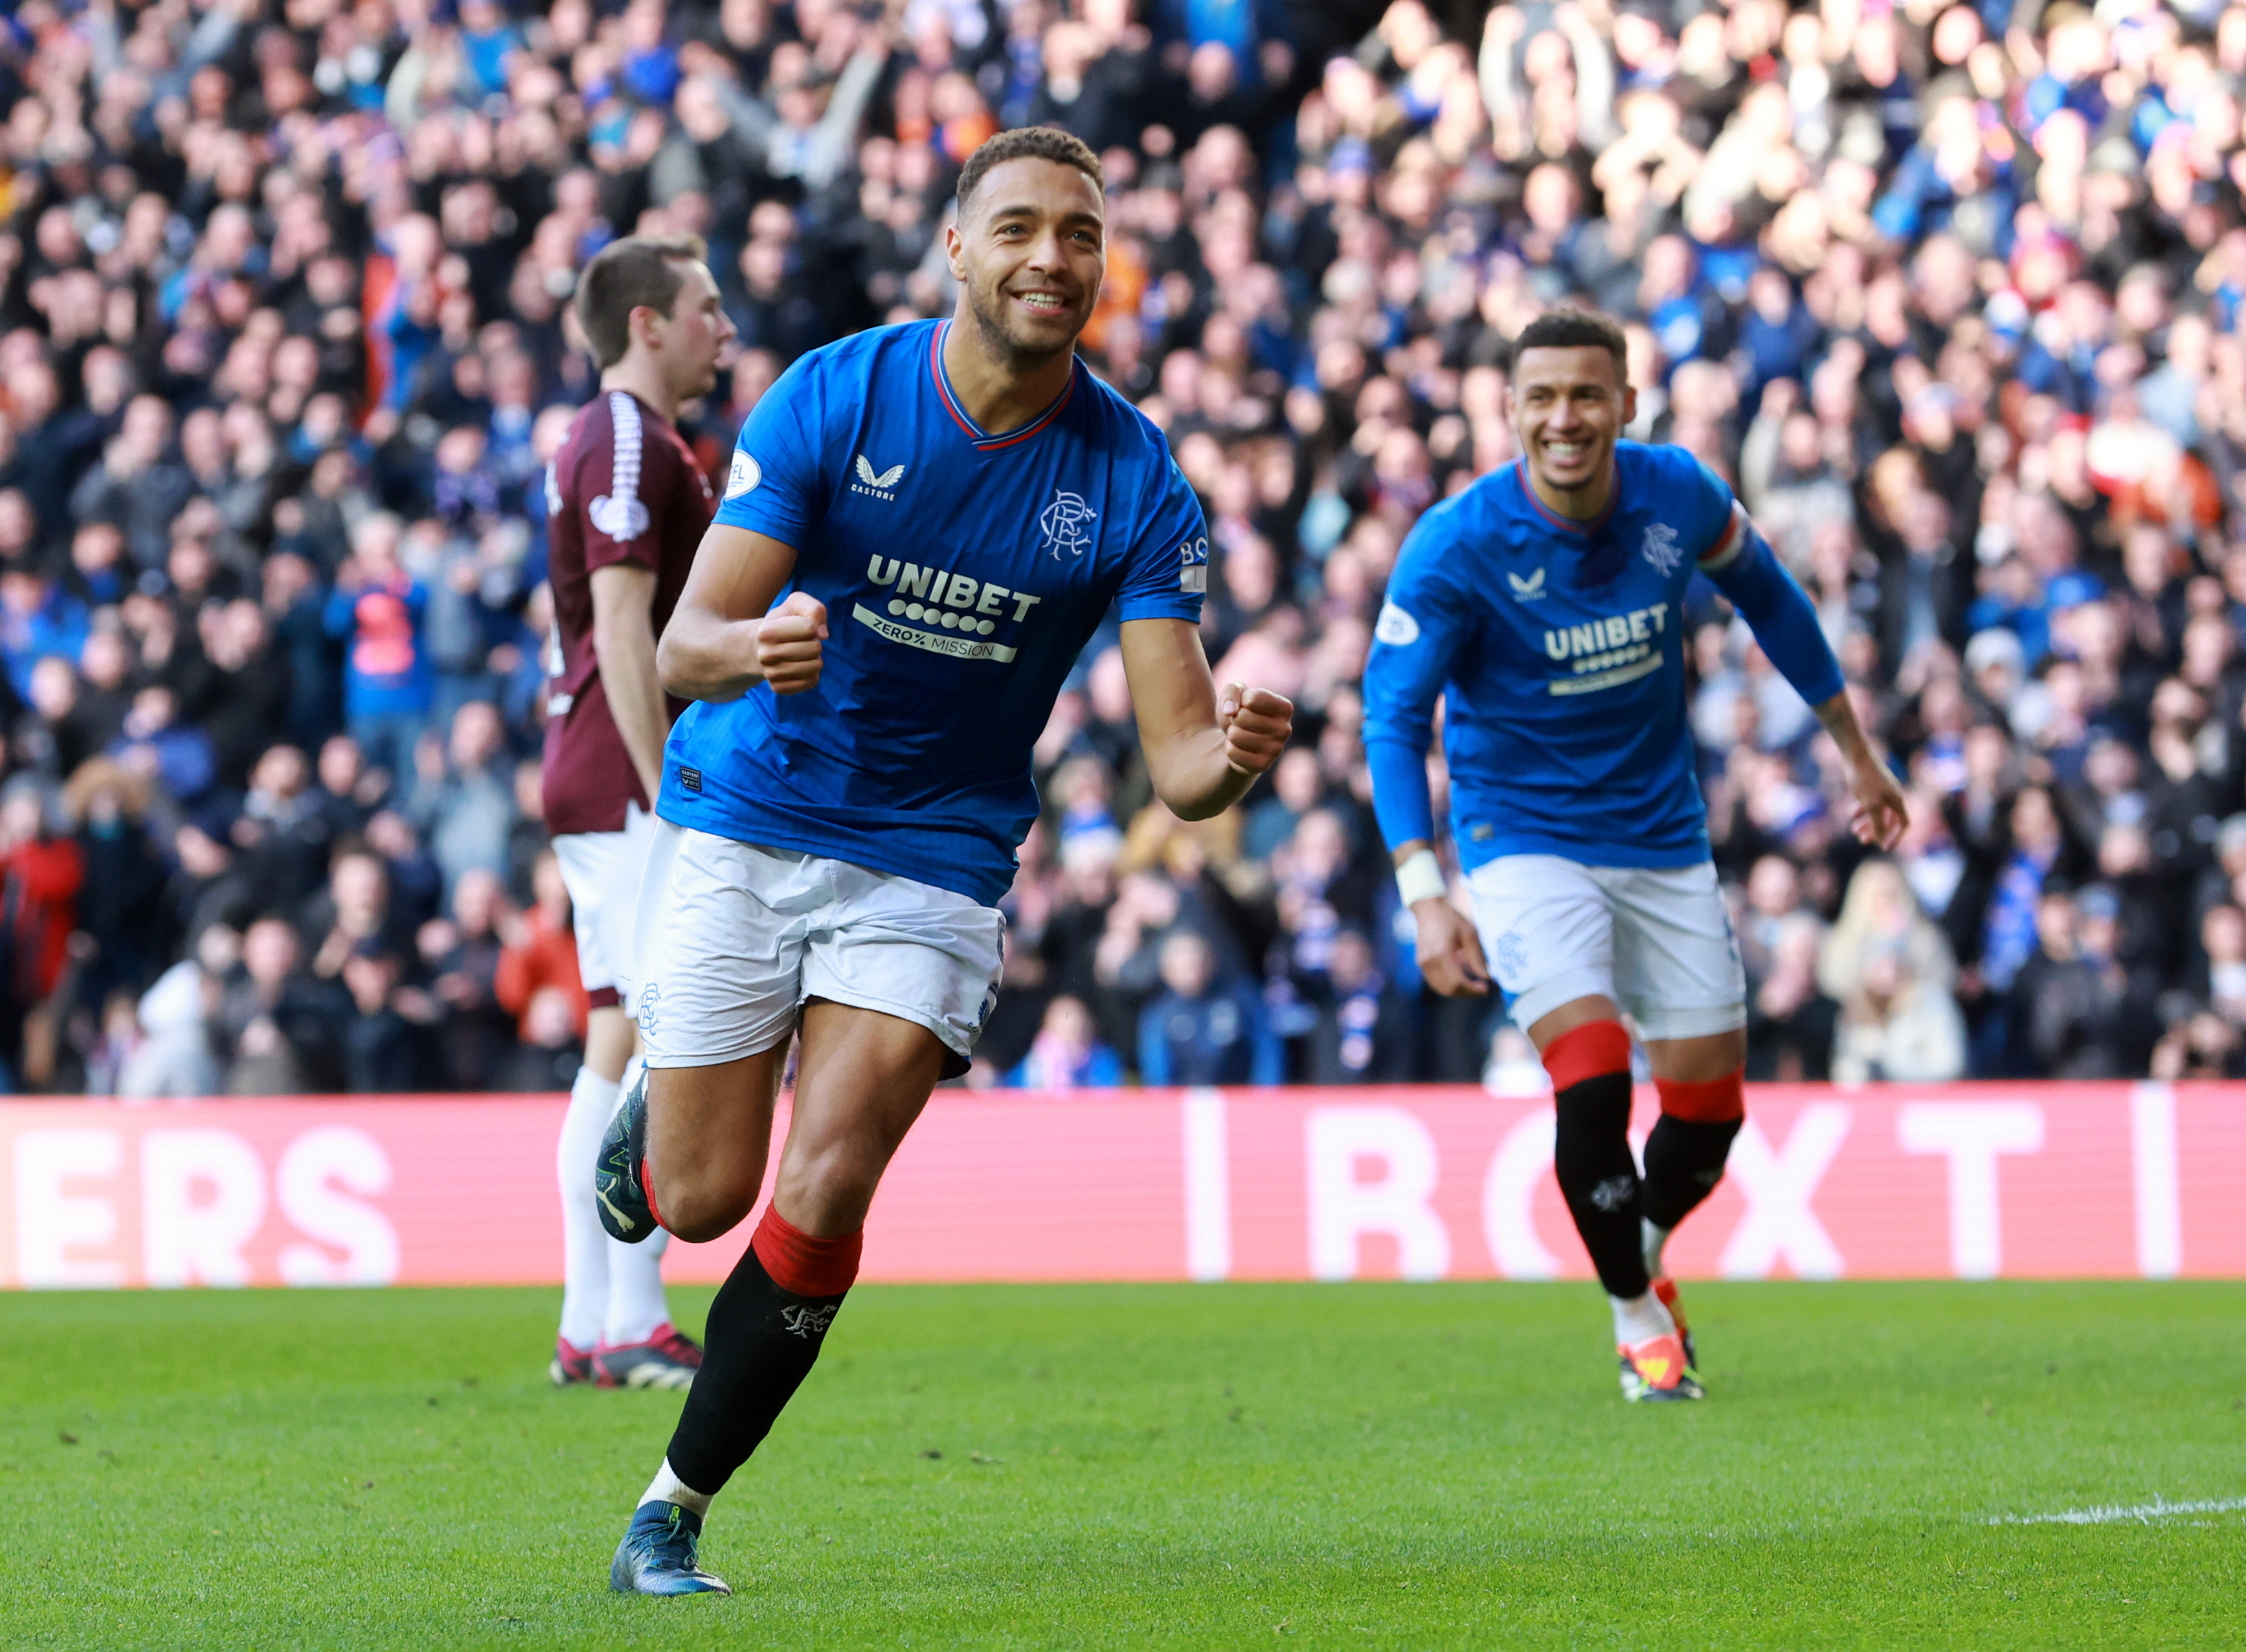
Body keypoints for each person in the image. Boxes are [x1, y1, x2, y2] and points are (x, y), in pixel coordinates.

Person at [591, 128, 1291, 1595]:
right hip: (754, 813)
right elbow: (682, 642)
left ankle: (673, 1504)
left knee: (831, 1181)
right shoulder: (837, 394)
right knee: (702, 1198)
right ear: (958, 250)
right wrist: (752, 645)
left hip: (933, 858)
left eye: (1082, 237)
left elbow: (1176, 764)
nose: (1055, 257)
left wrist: (1229, 755)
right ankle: (659, 1105)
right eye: (1023, 227)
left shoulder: (1135, 480)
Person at [1361, 310, 1905, 1404]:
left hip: (1661, 839)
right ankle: (1635, 1321)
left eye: (1587, 395)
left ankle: (1640, 1254)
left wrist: (1856, 750)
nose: (1566, 418)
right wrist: (1425, 894)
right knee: (1594, 1070)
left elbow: (1772, 600)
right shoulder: (1456, 546)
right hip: (1524, 842)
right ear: (1509, 411)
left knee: (1710, 1120)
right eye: (1542, 398)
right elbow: (1390, 720)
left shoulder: (1679, 495)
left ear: (1626, 405)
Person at [541, 233, 736, 1393]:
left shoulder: (644, 441)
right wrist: (664, 781)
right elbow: (620, 621)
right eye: (705, 308)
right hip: (627, 773)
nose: (723, 327)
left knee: (621, 1035)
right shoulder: (624, 434)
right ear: (645, 324)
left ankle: (592, 1320)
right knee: (670, 1028)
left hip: (602, 762)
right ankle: (630, 1313)